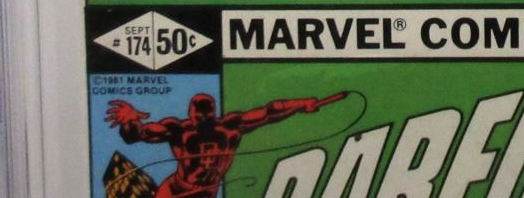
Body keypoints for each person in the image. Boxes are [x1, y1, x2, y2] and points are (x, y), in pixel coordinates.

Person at [106, 91, 345, 198]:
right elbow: (137, 135)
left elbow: (270, 112)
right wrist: (131, 122)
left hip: (206, 193)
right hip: (175, 191)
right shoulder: (179, 130)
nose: (202, 119)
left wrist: (303, 103)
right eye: (198, 115)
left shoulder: (231, 128)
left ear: (213, 112)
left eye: (206, 114)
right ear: (190, 114)